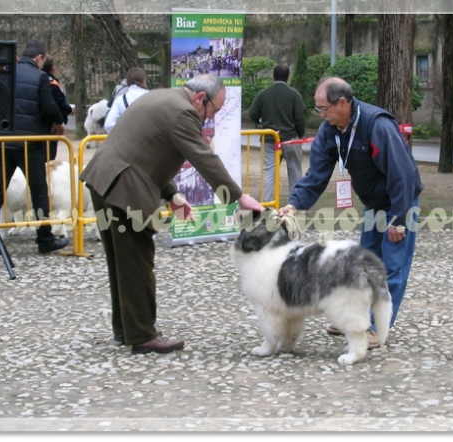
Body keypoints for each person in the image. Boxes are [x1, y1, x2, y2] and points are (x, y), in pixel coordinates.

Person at [79, 74, 263, 355]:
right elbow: (204, 158)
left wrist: (170, 194)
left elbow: (144, 150)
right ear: (201, 99)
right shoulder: (183, 112)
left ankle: (125, 328)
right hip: (123, 185)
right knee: (137, 260)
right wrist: (238, 197)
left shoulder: (161, 97)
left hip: (104, 177)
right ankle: (142, 335)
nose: (210, 117)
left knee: (121, 260)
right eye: (213, 111)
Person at [278, 77, 423, 349]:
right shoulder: (330, 130)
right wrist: (294, 204)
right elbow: (316, 174)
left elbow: (401, 174)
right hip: (373, 202)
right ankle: (356, 319)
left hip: (399, 201)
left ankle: (375, 328)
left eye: (324, 108)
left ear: (342, 103)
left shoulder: (377, 126)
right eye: (317, 108)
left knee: (391, 267)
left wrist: (399, 220)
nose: (321, 114)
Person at [0, 40, 69, 255]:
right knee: (39, 192)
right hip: (29, 144)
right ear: (39, 58)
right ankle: (44, 239)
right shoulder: (40, 77)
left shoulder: (6, 74)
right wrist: (59, 123)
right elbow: (49, 107)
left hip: (2, 141)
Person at [249, 65, 306, 203]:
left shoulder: (263, 94)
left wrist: (262, 123)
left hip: (270, 139)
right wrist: (299, 134)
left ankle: (267, 204)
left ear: (273, 76)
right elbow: (300, 118)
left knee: (269, 172)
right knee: (295, 171)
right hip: (291, 139)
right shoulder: (294, 94)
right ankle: (294, 204)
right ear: (288, 77)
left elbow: (252, 114)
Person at [41, 55, 76, 160]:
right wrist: (69, 109)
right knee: (49, 155)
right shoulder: (51, 83)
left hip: (43, 124)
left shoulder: (41, 79)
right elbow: (58, 103)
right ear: (51, 67)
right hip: (51, 125)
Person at [104, 67, 149, 134]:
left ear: (127, 82)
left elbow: (108, 125)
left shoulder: (120, 99)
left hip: (127, 141)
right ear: (143, 81)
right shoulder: (151, 96)